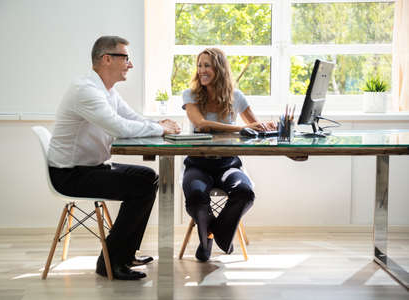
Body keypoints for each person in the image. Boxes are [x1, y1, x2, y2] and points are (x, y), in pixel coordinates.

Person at [47, 36, 181, 280]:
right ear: (107, 59)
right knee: (140, 187)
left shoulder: (106, 90)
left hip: (91, 168)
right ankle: (110, 261)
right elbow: (120, 127)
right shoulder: (86, 91)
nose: (130, 65)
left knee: (149, 177)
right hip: (70, 174)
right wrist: (161, 130)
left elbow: (131, 117)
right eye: (126, 58)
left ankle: (126, 253)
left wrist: (157, 124)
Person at [182, 48, 275, 262]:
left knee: (244, 193)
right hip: (198, 165)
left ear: (220, 69)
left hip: (229, 164)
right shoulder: (191, 95)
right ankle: (207, 242)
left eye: (207, 65)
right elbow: (201, 125)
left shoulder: (236, 97)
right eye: (200, 65)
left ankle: (213, 233)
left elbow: (255, 126)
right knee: (196, 197)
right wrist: (237, 128)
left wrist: (264, 127)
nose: (202, 70)